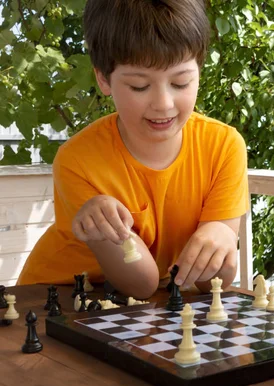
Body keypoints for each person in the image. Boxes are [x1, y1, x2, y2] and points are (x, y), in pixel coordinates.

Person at [17, 0, 249, 299]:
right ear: (103, 79)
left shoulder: (224, 146)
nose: (163, 103)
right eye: (139, 86)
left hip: (141, 304)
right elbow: (141, 283)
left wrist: (222, 235)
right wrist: (103, 233)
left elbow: (214, 283)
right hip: (55, 295)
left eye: (181, 82)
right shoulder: (77, 159)